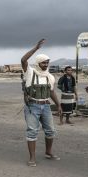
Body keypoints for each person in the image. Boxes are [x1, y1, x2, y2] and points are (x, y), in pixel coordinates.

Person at [21, 39, 62, 167]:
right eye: (43, 62)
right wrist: (35, 48)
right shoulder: (30, 72)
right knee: (32, 131)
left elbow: (51, 92)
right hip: (32, 106)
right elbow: (23, 60)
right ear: (38, 63)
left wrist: (59, 105)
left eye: (47, 62)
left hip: (46, 106)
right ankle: (32, 158)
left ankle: (48, 152)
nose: (45, 64)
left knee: (50, 130)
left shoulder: (49, 76)